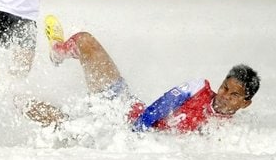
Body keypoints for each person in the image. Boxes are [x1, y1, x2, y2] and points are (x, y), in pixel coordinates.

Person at [23, 16, 261, 133]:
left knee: (44, 115)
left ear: (245, 103)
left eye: (234, 95)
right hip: (124, 108)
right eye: (225, 88)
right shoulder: (200, 86)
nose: (224, 96)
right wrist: (139, 126)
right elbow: (167, 102)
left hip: (114, 132)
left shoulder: (228, 130)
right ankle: (58, 50)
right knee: (85, 40)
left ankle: (10, 95)